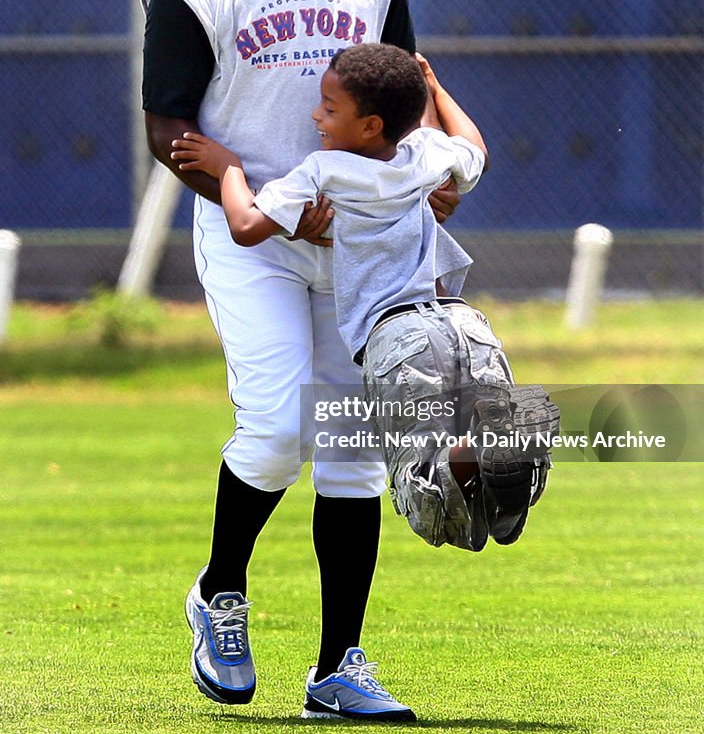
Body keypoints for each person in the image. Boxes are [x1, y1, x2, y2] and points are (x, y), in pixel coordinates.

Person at [141, 0, 458, 722]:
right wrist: (264, 194)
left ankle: (337, 668)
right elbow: (169, 132)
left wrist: (427, 176)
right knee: (280, 427)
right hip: (253, 235)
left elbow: (404, 91)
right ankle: (220, 591)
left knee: (353, 448)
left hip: (360, 238)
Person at [171, 45, 559, 564]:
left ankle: (471, 459)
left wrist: (229, 168)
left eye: (329, 108)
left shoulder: (326, 171)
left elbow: (244, 226)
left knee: (419, 476)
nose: (316, 115)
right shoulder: (426, 153)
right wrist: (434, 88)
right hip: (454, 318)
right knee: (454, 415)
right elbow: (475, 148)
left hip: (392, 340)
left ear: (371, 125)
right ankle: (496, 447)